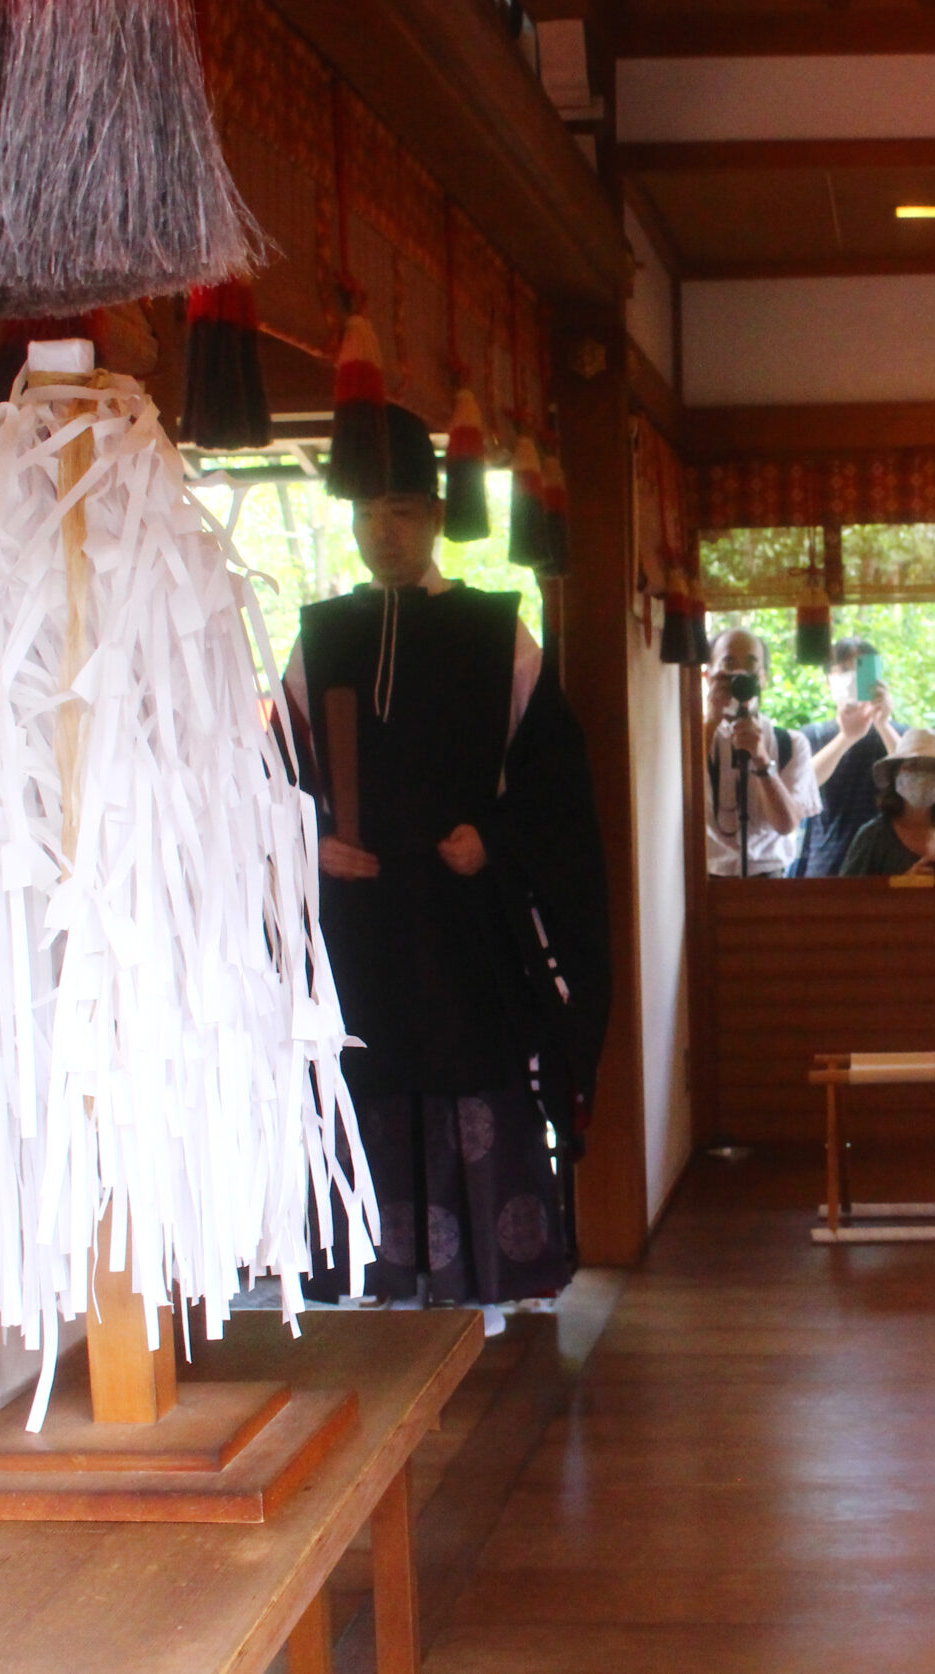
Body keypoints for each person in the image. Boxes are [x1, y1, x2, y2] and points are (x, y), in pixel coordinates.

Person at [283, 402, 610, 1309]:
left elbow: (556, 784)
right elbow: (275, 774)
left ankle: (489, 1287)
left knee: (475, 1073)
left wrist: (494, 839)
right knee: (366, 1071)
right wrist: (312, 842)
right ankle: (373, 1282)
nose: (381, 533)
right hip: (360, 925)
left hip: (466, 921)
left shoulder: (494, 631)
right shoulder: (320, 636)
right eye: (365, 515)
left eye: (400, 512)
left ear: (434, 518)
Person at [703, 626, 820, 877]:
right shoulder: (691, 741)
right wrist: (711, 722)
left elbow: (786, 824)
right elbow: (673, 799)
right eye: (729, 664)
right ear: (708, 676)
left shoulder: (790, 744)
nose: (740, 674)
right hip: (706, 881)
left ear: (764, 678)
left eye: (750, 665)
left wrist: (761, 759)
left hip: (769, 880)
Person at [797, 638, 903, 876]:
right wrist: (847, 737)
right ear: (828, 680)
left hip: (888, 866)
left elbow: (913, 781)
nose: (854, 678)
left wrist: (883, 724)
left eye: (862, 670)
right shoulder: (812, 736)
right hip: (827, 867)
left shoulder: (899, 735)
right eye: (844, 670)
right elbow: (802, 785)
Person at [837, 728, 935, 877]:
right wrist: (903, 884)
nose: (924, 776)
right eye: (914, 765)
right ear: (895, 775)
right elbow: (847, 891)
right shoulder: (874, 837)